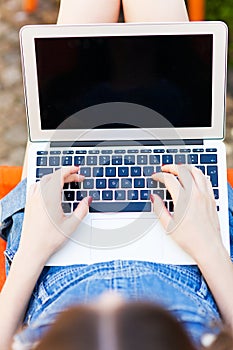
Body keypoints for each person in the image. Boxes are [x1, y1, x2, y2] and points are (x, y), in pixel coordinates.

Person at [1, 1, 233, 349]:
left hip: (48, 262)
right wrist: (209, 249)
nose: (113, 298)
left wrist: (32, 252)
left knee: (80, 67)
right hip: (199, 265)